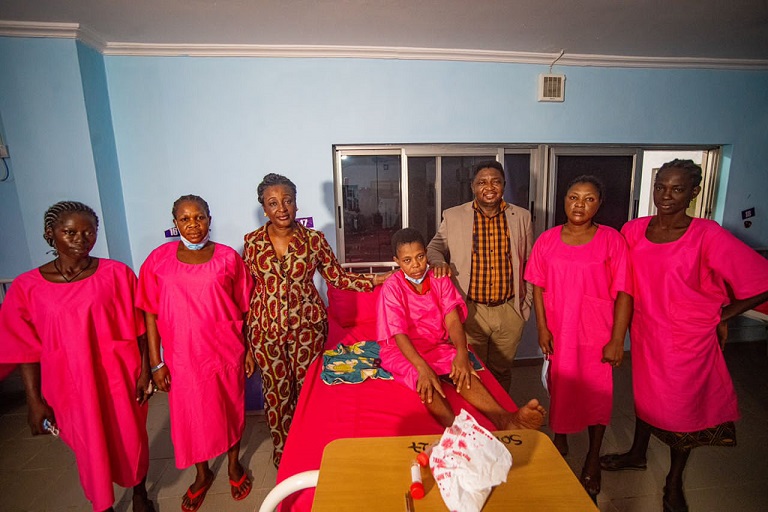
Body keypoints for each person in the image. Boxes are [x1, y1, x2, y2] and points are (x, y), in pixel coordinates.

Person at [598, 160, 768, 512]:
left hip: (687, 340)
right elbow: (621, 278)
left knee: (680, 411)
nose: (666, 196)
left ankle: (673, 482)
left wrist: (724, 313)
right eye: (661, 186)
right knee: (646, 397)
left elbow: (761, 278)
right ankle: (637, 453)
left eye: (677, 189)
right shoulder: (633, 230)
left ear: (694, 192)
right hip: (646, 332)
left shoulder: (707, 234)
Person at [0, 201, 154, 512]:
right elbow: (24, 350)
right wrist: (34, 401)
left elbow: (140, 329)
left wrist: (145, 372)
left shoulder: (116, 274)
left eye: (88, 233)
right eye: (70, 232)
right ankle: (103, 504)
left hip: (118, 376)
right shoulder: (27, 287)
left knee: (130, 438)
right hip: (69, 385)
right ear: (50, 234)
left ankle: (140, 493)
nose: (80, 240)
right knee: (89, 446)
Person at [243, 173, 393, 467]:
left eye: (288, 200)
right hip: (265, 332)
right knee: (275, 393)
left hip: (307, 329)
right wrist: (247, 342)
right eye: (273, 203)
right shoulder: (251, 243)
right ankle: (282, 449)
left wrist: (377, 280)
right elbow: (247, 292)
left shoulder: (314, 240)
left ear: (296, 204)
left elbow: (337, 278)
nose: (282, 208)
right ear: (264, 208)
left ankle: (306, 443)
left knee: (308, 390)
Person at [137, 195, 254, 512]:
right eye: (185, 219)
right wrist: (156, 361)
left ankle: (233, 467)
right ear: (174, 222)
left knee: (230, 409)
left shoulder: (229, 258)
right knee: (191, 418)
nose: (193, 225)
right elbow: (149, 312)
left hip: (225, 350)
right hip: (182, 356)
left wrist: (247, 351)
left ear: (209, 218)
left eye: (199, 217)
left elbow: (243, 307)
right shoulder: (158, 260)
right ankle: (202, 474)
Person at [525, 176, 633, 499]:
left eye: (588, 199)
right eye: (574, 197)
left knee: (597, 394)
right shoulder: (547, 240)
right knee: (561, 387)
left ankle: (592, 456)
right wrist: (542, 328)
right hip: (560, 330)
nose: (579, 205)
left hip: (597, 333)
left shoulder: (612, 241)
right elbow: (538, 286)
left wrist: (617, 339)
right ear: (564, 200)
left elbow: (625, 291)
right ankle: (560, 440)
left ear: (599, 204)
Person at [376, 227, 546, 430]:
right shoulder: (392, 287)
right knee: (421, 377)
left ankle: (505, 420)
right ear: (397, 261)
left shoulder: (440, 280)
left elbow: (453, 320)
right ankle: (454, 430)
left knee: (462, 369)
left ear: (427, 254)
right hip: (403, 350)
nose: (416, 265)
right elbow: (398, 333)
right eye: (407, 260)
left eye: (420, 256)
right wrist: (422, 367)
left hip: (436, 344)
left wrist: (462, 352)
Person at [427, 160, 533, 393]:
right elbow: (433, 248)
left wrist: (526, 304)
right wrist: (439, 262)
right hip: (470, 310)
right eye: (482, 182)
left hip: (510, 310)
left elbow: (530, 263)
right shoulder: (454, 216)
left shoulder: (521, 217)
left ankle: (503, 420)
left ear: (503, 185)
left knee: (502, 370)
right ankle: (481, 418)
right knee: (474, 368)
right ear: (473, 187)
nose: (489, 187)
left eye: (495, 181)